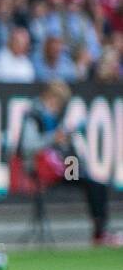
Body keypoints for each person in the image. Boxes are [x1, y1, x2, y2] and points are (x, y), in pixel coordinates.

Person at [16, 81, 120, 247]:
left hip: (56, 166)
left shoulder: (52, 116)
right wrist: (53, 138)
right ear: (50, 97)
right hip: (38, 169)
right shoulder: (34, 115)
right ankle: (100, 233)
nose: (59, 107)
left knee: (94, 182)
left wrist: (65, 139)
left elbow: (59, 149)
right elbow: (28, 146)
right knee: (90, 182)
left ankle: (101, 230)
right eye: (58, 102)